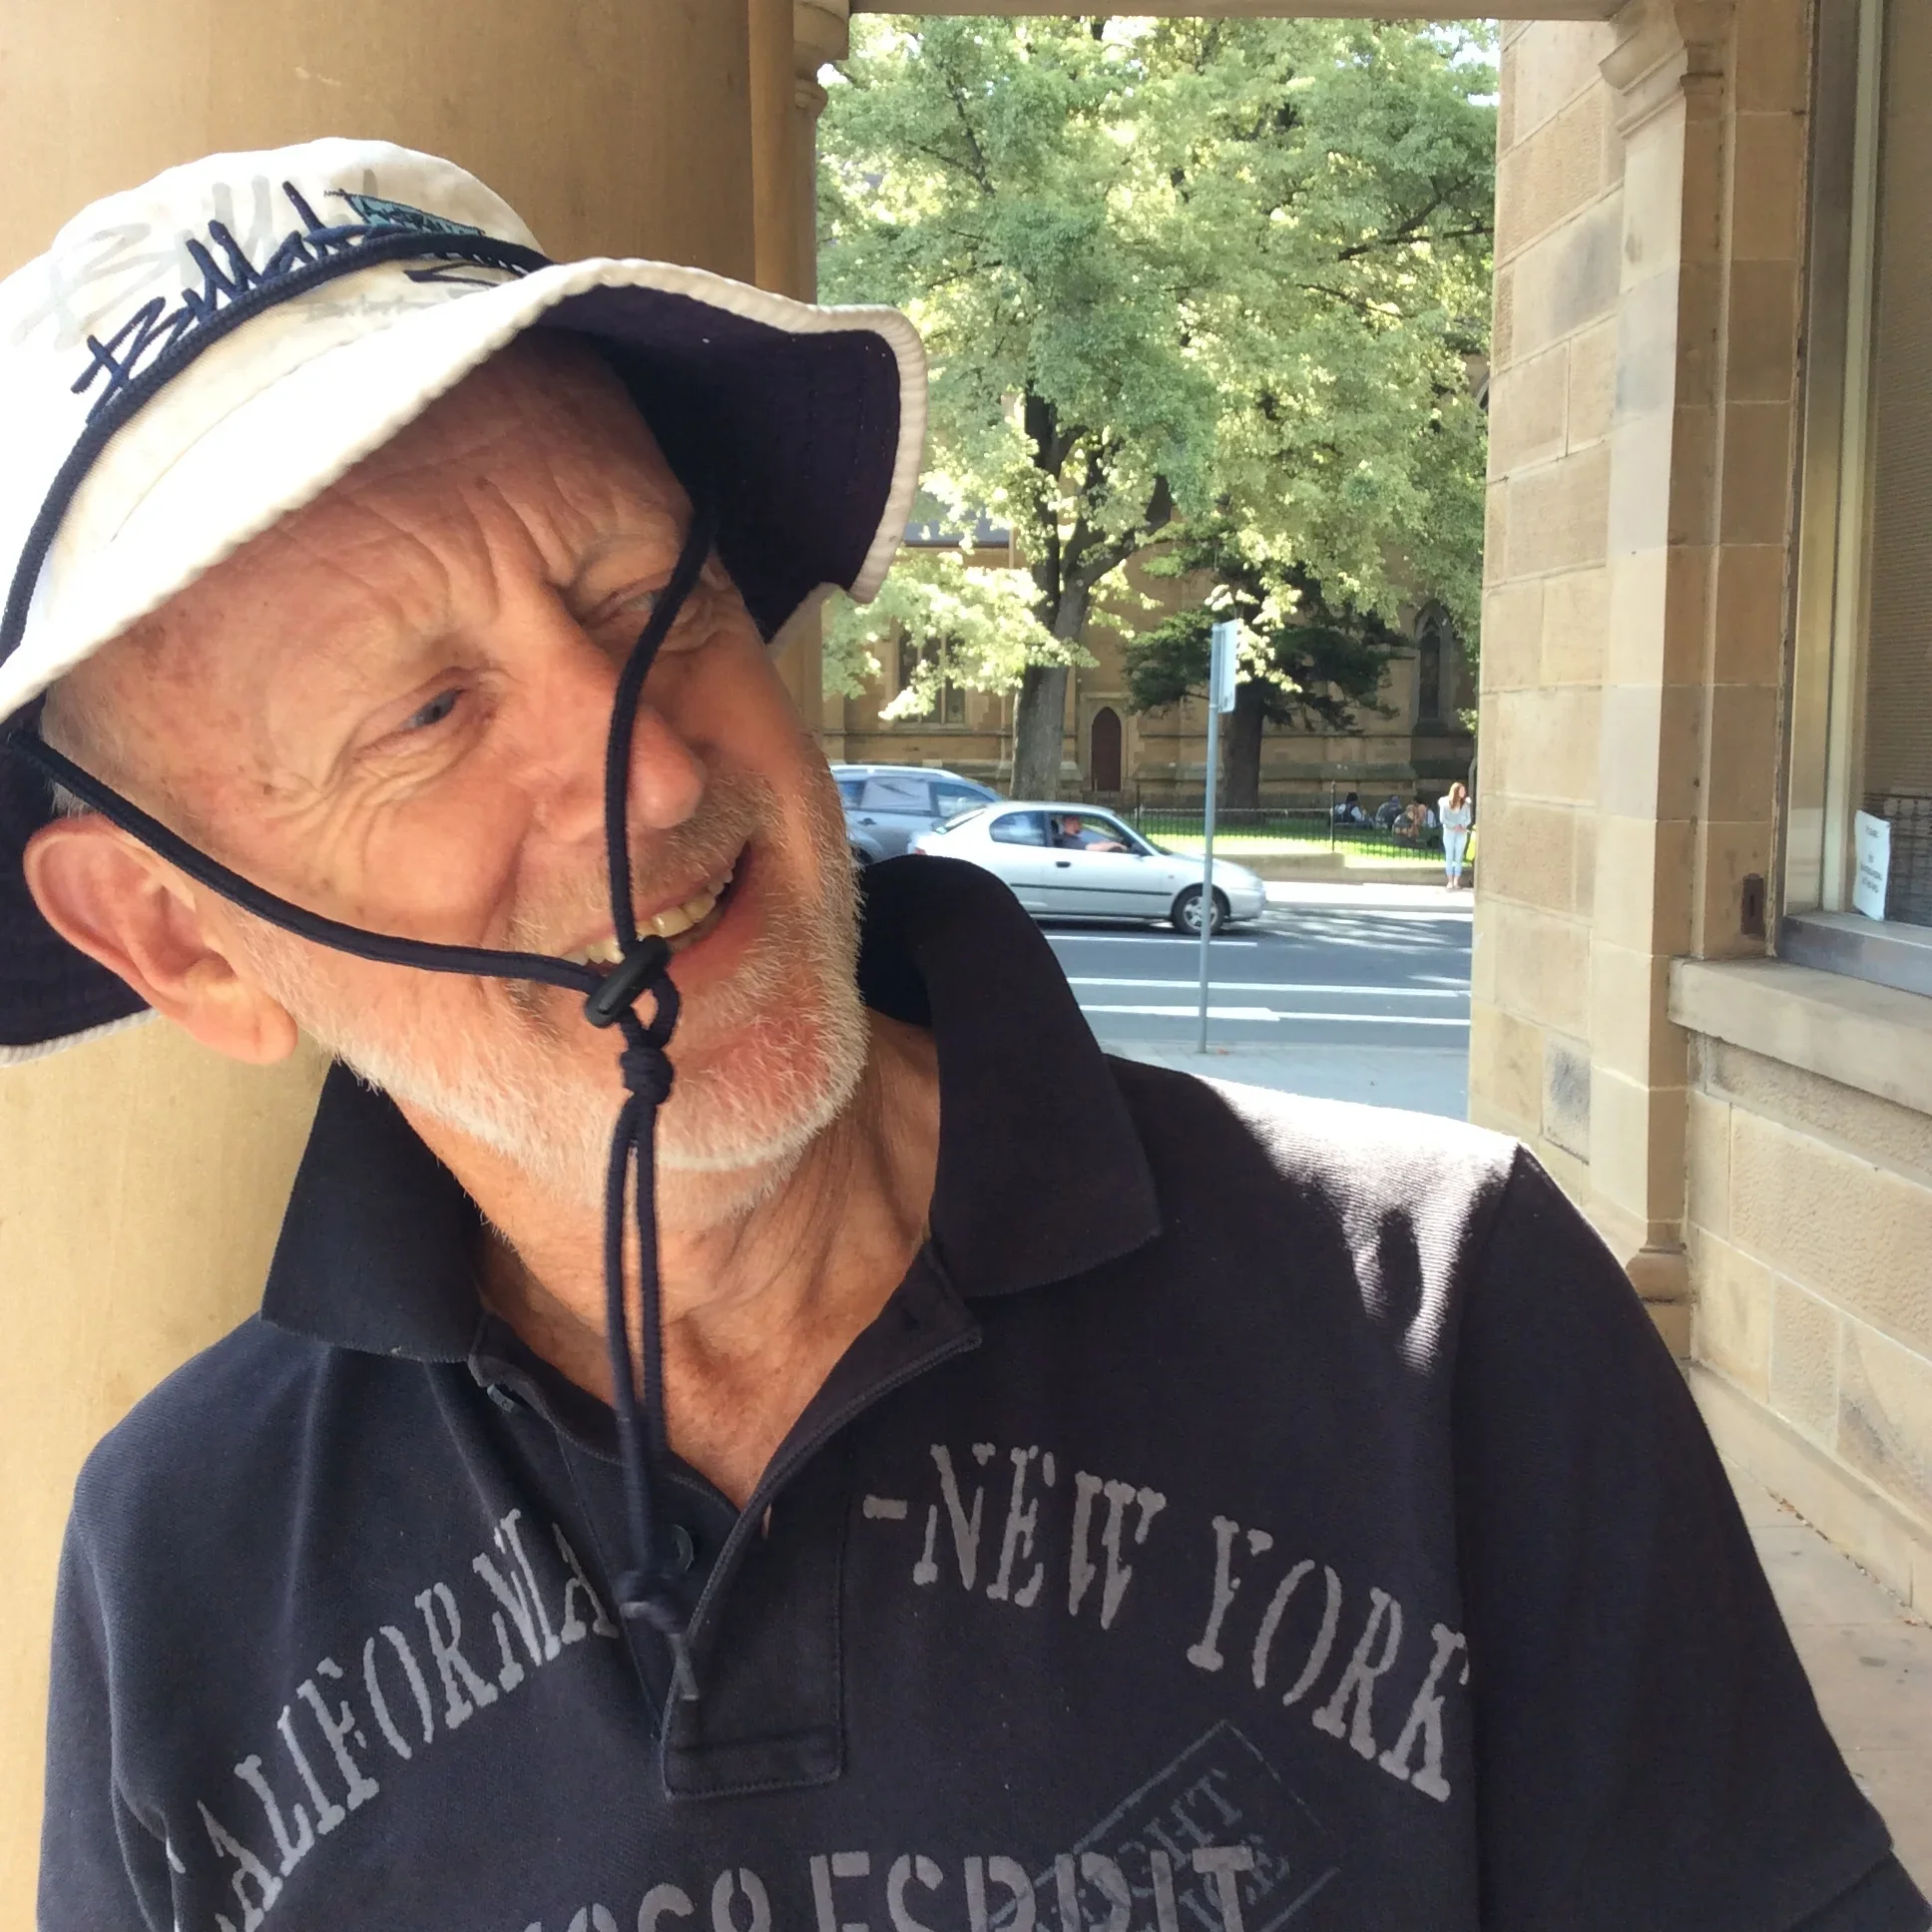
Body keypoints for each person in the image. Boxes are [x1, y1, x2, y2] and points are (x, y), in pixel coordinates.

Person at [5, 143, 1926, 1932]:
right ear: (180, 937)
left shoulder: (1437, 1312)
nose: (659, 770)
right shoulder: (184, 1552)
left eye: (647, 601)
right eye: (425, 714)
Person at [1440, 780, 1474, 890]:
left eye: (1464, 790)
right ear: (1455, 791)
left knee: (1459, 857)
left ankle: (1456, 881)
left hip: (1461, 832)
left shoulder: (1465, 805)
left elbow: (1468, 818)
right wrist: (1453, 826)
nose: (1464, 792)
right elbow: (1442, 819)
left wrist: (1463, 825)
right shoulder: (1445, 804)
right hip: (1449, 832)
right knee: (1449, 856)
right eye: (1461, 790)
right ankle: (1450, 881)